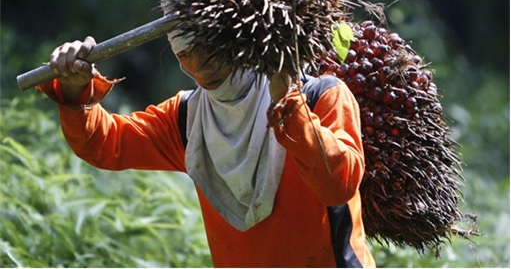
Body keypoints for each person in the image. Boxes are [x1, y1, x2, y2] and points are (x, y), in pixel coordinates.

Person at [37, 26, 376, 268]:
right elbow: (103, 143)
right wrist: (74, 90)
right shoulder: (188, 119)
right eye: (185, 54)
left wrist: (289, 103)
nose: (199, 66)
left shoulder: (322, 97)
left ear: (239, 39)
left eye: (208, 47)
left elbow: (338, 185)